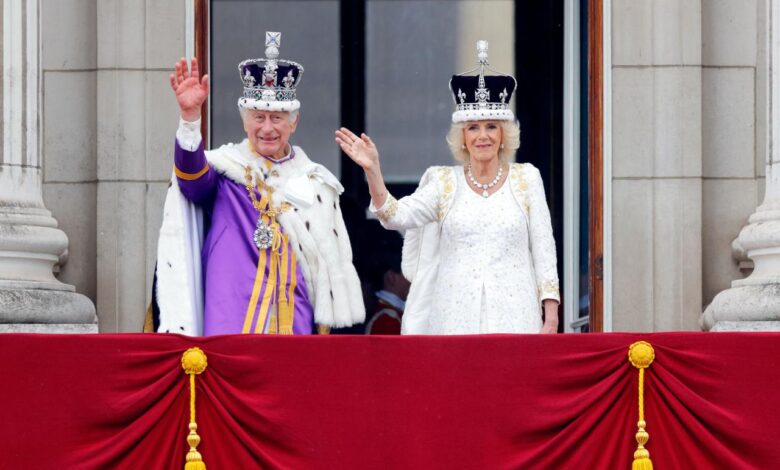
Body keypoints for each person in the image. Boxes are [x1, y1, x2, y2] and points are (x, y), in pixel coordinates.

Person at [335, 40, 559, 335]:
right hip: (454, 320)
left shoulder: (527, 179)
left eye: (491, 126)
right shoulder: (443, 182)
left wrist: (551, 317)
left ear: (504, 134)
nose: (483, 136)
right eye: (473, 128)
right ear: (462, 136)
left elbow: (544, 251)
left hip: (516, 318)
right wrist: (373, 170)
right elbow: (395, 216)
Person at [154, 31, 364, 335]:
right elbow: (192, 181)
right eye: (258, 117)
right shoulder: (227, 170)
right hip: (230, 317)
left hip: (295, 319)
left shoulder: (315, 182)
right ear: (244, 120)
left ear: (294, 123)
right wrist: (189, 119)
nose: (267, 128)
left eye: (277, 118)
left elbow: (327, 268)